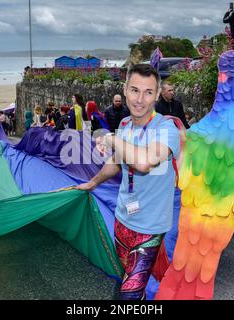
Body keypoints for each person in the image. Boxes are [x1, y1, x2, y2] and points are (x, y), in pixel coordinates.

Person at [76, 64, 180, 300]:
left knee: (128, 294)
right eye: (134, 90)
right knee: (131, 279)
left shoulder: (166, 128)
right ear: (124, 90)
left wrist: (110, 138)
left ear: (157, 94)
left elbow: (143, 162)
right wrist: (92, 184)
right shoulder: (124, 125)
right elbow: (115, 163)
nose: (140, 99)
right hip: (122, 219)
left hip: (149, 228)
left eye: (148, 92)